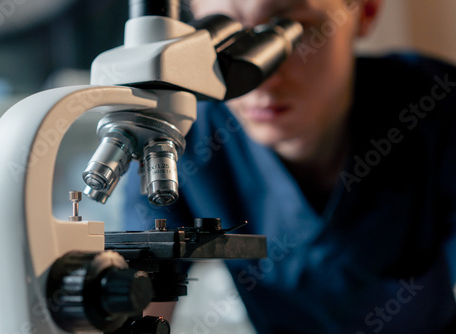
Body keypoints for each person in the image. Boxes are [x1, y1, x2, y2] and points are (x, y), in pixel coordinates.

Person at [123, 0, 456, 333]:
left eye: (293, 31)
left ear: (366, 10)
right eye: (224, 40)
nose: (257, 78)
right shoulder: (177, 140)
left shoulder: (436, 107)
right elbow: (139, 304)